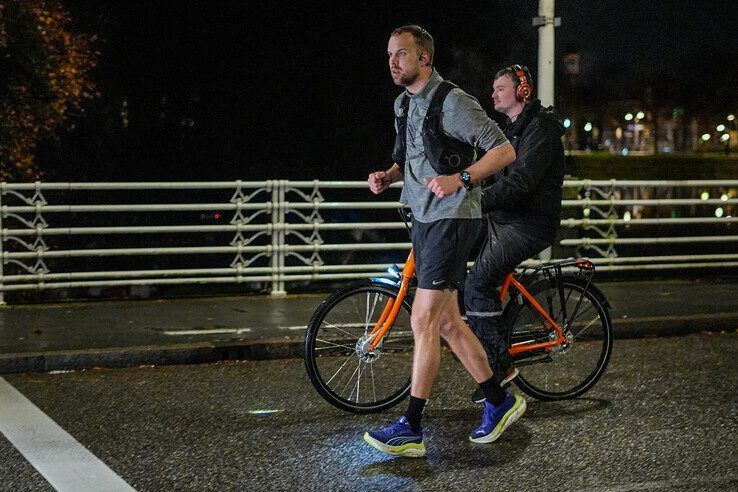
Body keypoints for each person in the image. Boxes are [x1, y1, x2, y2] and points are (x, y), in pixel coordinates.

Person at [363, 25, 524, 458]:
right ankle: (499, 399)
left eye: (402, 54)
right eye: (390, 54)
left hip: (453, 219)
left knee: (423, 319)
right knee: (449, 323)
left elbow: (503, 150)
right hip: (423, 218)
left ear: (425, 60)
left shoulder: (452, 101)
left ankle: (411, 427)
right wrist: (388, 176)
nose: (393, 61)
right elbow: (410, 159)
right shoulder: (404, 104)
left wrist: (463, 178)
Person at [464, 65, 566, 404]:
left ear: (522, 91)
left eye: (501, 88)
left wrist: (477, 200)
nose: (493, 94)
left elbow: (521, 183)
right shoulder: (509, 130)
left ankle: (499, 369)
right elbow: (492, 173)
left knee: (479, 284)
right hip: (505, 217)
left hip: (530, 224)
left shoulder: (541, 131)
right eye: (493, 88)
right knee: (456, 254)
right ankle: (476, 331)